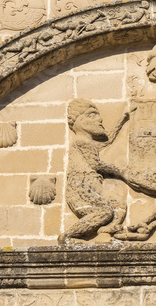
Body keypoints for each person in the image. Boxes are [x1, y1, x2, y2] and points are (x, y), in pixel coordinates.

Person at [58, 99, 127, 244]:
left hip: (91, 189)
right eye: (92, 115)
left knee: (118, 204)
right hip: (81, 189)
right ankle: (68, 237)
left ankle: (104, 232)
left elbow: (107, 142)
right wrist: (121, 172)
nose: (99, 119)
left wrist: (122, 119)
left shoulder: (88, 143)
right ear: (80, 121)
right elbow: (95, 164)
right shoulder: (81, 142)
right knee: (103, 212)